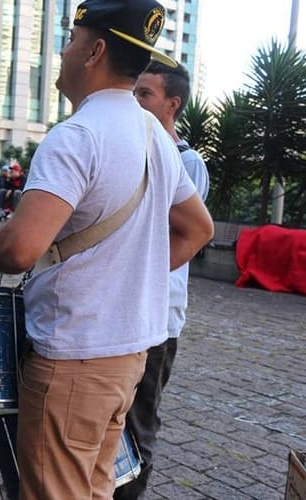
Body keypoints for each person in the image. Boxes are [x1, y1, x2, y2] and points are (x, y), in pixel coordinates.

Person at [0, 0, 214, 497]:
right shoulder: (153, 135)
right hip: (129, 353)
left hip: (76, 355)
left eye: (71, 41)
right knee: (93, 489)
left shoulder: (77, 136)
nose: (64, 52)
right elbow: (197, 229)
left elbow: (23, 249)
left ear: (94, 51)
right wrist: (131, 277)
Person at [114, 60, 210, 500]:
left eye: (145, 95)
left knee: (139, 422)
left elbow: (174, 233)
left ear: (173, 103)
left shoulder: (186, 162)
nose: (135, 101)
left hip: (156, 318)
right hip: (119, 309)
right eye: (133, 92)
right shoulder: (133, 148)